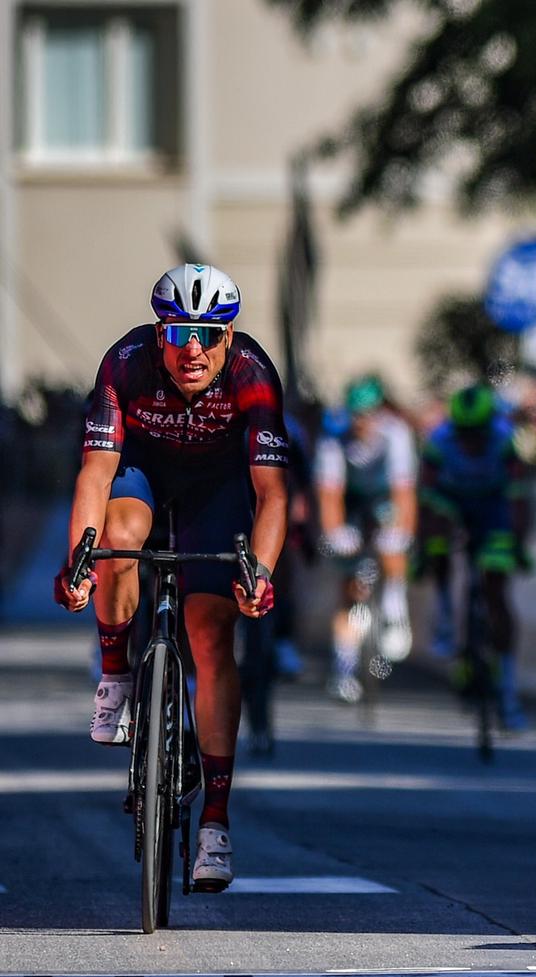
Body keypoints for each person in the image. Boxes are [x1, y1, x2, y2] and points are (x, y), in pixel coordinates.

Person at [55, 263, 287, 893]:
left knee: (210, 634)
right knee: (119, 536)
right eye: (181, 333)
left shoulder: (252, 375)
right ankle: (116, 673)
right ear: (160, 334)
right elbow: (95, 475)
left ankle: (215, 821)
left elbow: (271, 493)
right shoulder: (125, 363)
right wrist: (79, 562)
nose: (194, 350)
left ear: (228, 337)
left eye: (208, 335)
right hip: (141, 473)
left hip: (217, 489)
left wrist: (260, 573)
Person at [419, 383, 532, 727]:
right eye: (463, 432)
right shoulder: (438, 441)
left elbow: (518, 497)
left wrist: (517, 544)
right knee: (436, 534)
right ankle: (444, 612)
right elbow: (424, 495)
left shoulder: (505, 440)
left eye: (477, 432)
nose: (470, 440)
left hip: (492, 506)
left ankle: (508, 689)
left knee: (496, 588)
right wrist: (425, 547)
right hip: (451, 502)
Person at [315, 375, 418, 702]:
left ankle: (394, 609)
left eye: (369, 414)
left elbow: (404, 492)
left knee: (392, 542)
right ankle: (344, 669)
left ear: (379, 412)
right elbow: (329, 495)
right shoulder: (333, 438)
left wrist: (402, 533)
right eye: (356, 414)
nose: (363, 421)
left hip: (384, 499)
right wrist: (336, 534)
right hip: (351, 502)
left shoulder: (396, 434)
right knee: (351, 586)